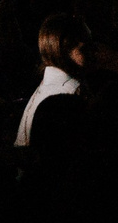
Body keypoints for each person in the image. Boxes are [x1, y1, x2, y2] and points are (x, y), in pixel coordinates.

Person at [18, 12, 87, 146]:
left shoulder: (46, 87)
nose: (95, 52)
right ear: (64, 48)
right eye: (86, 48)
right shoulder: (73, 90)